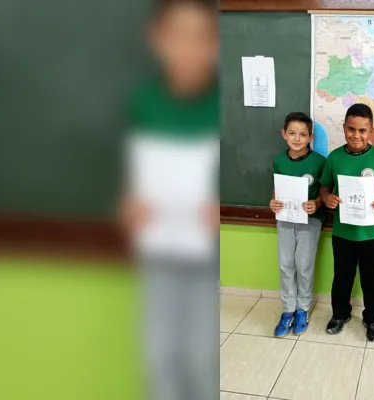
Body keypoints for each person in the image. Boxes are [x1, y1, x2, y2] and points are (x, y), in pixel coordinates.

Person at [118, 1, 219, 399]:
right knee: (160, 361)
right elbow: (128, 174)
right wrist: (128, 204)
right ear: (157, 39)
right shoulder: (142, 101)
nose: (189, 49)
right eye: (177, 35)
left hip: (208, 256)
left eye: (202, 37)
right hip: (158, 250)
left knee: (202, 361)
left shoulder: (220, 105)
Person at [319, 103, 374, 341]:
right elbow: (324, 186)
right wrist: (327, 198)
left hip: (371, 234)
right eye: (351, 129)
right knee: (341, 276)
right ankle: (339, 314)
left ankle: (372, 319)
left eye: (362, 130)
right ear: (344, 128)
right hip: (342, 233)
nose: (356, 135)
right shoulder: (334, 158)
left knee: (370, 278)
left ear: (371, 131)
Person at [269, 112, 325, 337]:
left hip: (310, 220)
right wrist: (273, 202)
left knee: (303, 265)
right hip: (285, 218)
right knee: (285, 264)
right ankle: (287, 310)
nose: (297, 138)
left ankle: (302, 308)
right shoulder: (279, 160)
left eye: (303, 134)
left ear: (310, 137)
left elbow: (324, 192)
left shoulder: (319, 161)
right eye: (292, 133)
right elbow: (277, 188)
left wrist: (317, 203)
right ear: (284, 134)